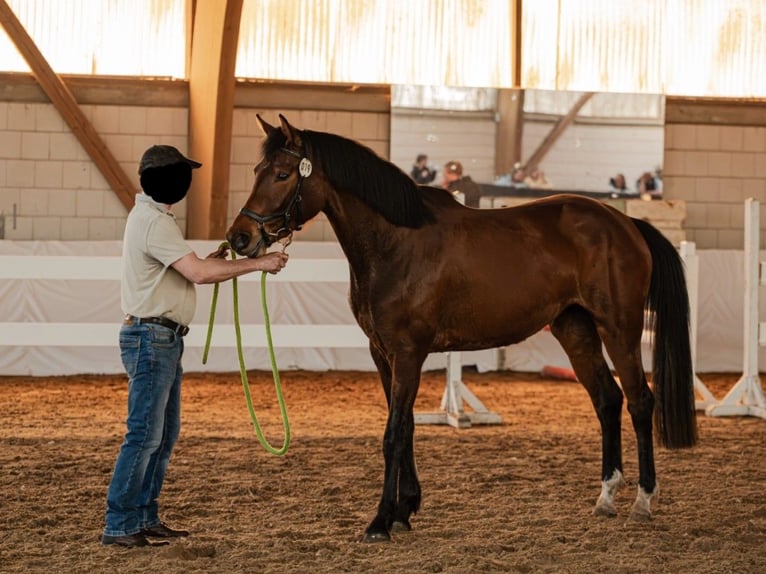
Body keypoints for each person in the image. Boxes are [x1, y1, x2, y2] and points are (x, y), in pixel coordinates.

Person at [102, 144, 289, 548]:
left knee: (161, 436)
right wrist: (259, 263)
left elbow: (190, 269)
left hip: (160, 339)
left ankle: (142, 516)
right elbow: (199, 275)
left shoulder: (151, 219)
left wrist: (213, 260)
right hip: (153, 339)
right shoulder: (155, 223)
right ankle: (119, 523)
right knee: (145, 436)